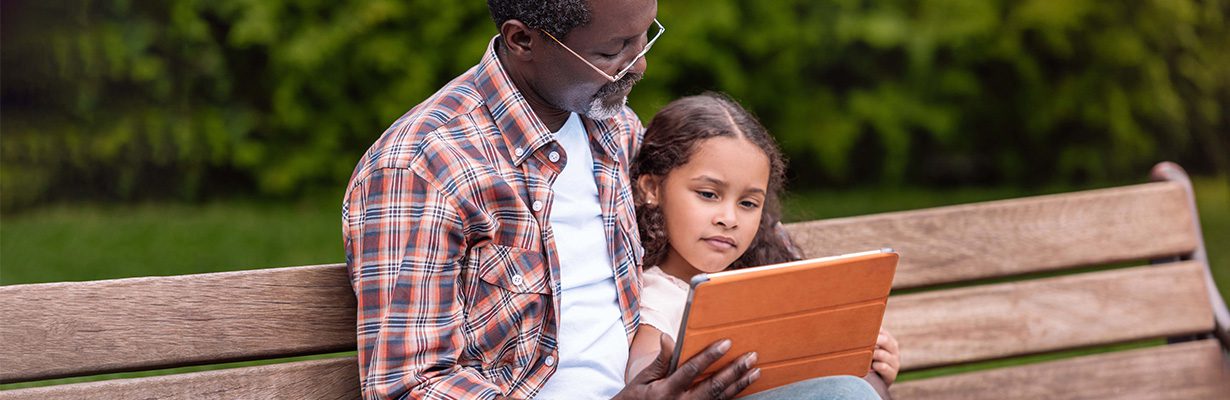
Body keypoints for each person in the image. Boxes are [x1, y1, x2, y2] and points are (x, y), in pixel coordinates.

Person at [342, 1, 758, 398]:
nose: (640, 64)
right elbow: (412, 385)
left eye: (646, 37)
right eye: (613, 49)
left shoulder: (615, 129)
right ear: (523, 40)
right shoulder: (425, 168)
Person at [624, 93, 902, 399]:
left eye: (747, 203)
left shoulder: (767, 279)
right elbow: (644, 369)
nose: (729, 219)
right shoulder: (659, 294)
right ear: (652, 188)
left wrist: (871, 361)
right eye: (707, 194)